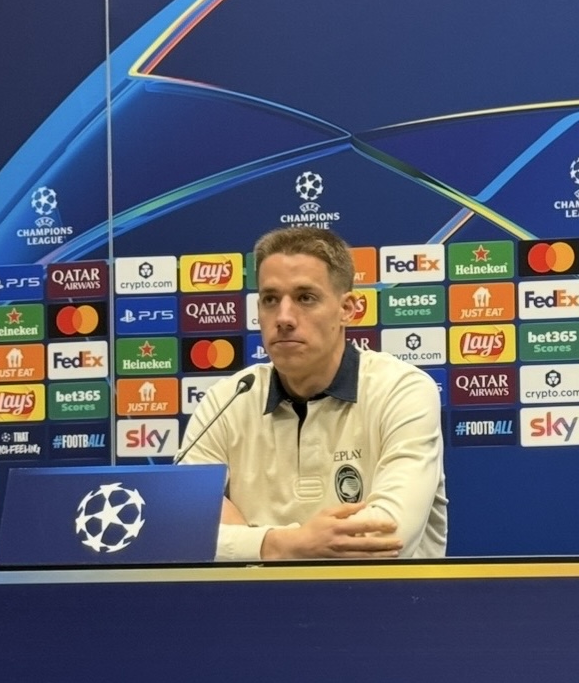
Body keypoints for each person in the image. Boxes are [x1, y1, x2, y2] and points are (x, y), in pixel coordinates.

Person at [180, 226, 448, 560]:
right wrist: (288, 543)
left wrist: (249, 542)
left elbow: (386, 539)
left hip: (376, 595)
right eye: (270, 300)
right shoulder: (227, 399)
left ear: (348, 308)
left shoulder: (402, 390)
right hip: (253, 596)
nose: (284, 318)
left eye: (305, 298)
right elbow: (178, 530)